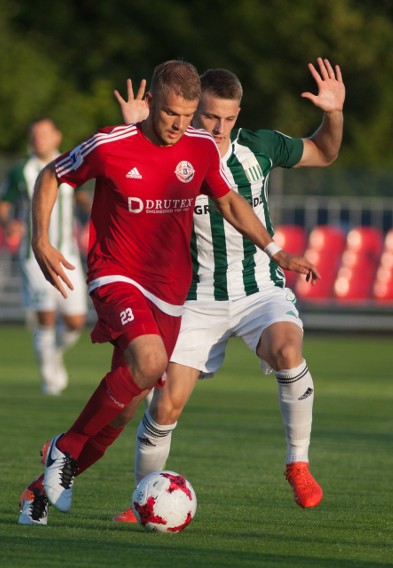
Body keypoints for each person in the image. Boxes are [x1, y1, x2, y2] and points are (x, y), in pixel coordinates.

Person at [20, 60, 317, 526]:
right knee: (152, 364)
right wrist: (39, 239)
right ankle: (66, 449)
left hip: (170, 291)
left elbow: (227, 201)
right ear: (153, 102)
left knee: (124, 410)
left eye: (187, 114)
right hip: (116, 274)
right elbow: (51, 175)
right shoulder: (111, 143)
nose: (180, 126)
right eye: (170, 114)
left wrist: (275, 250)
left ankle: (42, 490)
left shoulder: (199, 147)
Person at [107, 58, 344, 522]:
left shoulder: (260, 146)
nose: (219, 127)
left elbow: (325, 152)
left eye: (229, 118)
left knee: (287, 351)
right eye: (210, 117)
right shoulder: (171, 151)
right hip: (195, 298)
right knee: (166, 403)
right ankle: (142, 501)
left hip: (259, 289)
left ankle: (298, 463)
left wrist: (333, 113)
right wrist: (137, 138)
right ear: (193, 113)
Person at [0, 117, 90, 395]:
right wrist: (8, 222)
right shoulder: (21, 172)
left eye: (44, 134)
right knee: (46, 316)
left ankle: (54, 355)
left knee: (75, 321)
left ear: (56, 137)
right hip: (33, 254)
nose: (39, 139)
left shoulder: (71, 165)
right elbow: (3, 206)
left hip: (67, 253)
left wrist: (93, 208)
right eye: (35, 134)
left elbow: (81, 197)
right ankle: (49, 377)